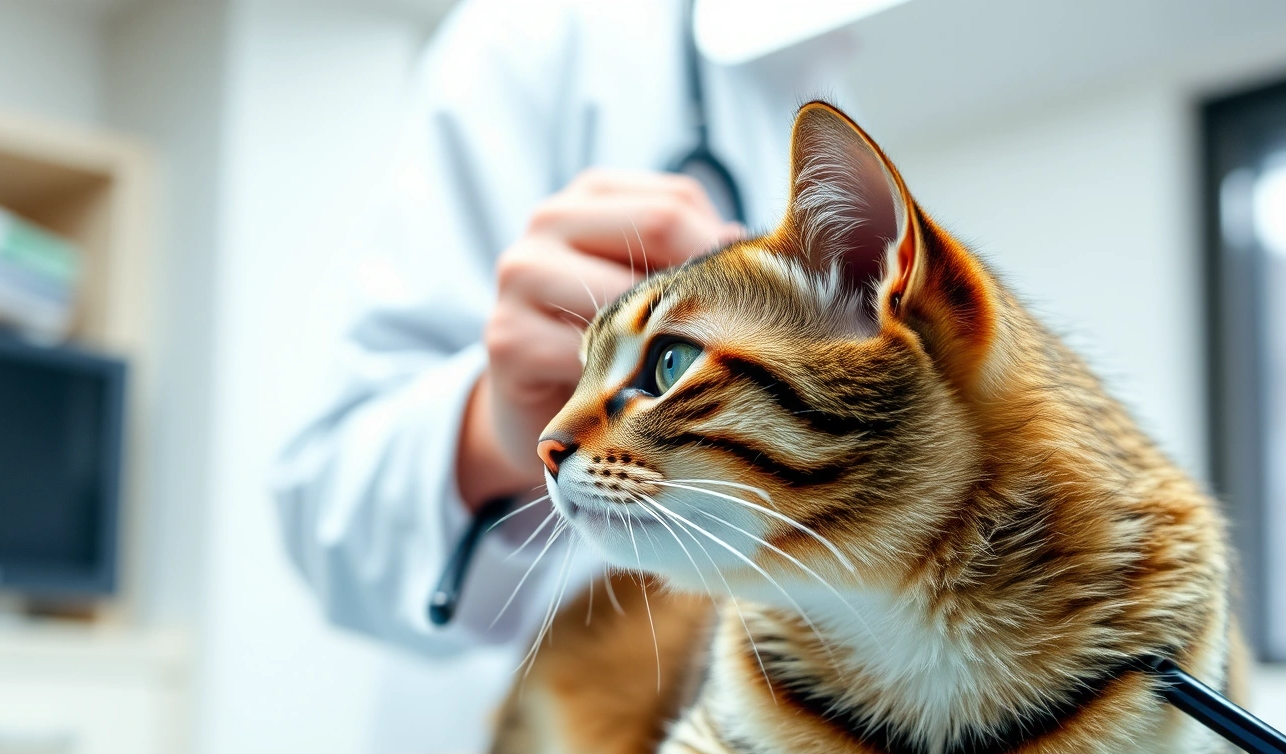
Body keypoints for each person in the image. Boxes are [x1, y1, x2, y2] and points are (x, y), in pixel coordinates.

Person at [274, 0, 852, 654]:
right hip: (520, 715)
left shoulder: (831, 67)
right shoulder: (538, 29)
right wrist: (493, 429)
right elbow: (327, 505)